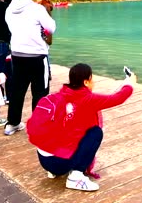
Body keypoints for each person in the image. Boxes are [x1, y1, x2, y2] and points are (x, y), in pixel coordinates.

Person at [30, 63, 135, 192]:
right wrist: (130, 83)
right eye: (92, 79)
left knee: (68, 129)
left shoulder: (58, 97)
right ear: (86, 82)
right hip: (60, 163)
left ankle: (55, 170)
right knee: (95, 133)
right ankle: (76, 176)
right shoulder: (87, 99)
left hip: (44, 160)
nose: (93, 82)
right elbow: (117, 98)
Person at [4, 0, 56, 136]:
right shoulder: (37, 9)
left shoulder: (9, 8)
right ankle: (39, 125)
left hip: (18, 54)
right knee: (40, 91)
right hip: (37, 55)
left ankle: (12, 123)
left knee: (17, 90)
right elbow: (51, 28)